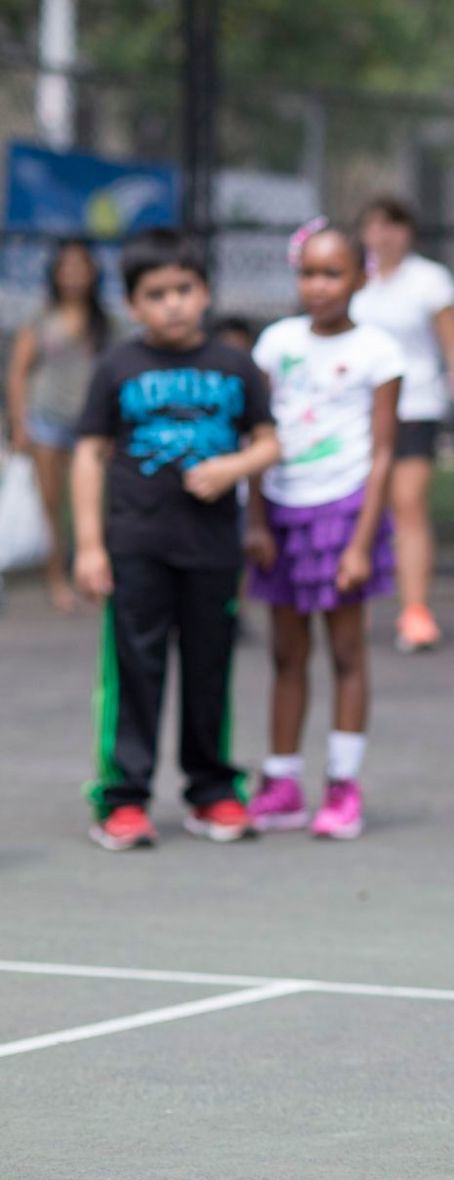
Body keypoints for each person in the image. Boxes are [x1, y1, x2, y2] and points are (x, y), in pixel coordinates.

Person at [70, 227, 279, 851]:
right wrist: (88, 544)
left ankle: (212, 790)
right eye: (156, 294)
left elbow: (268, 442)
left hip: (213, 551)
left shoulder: (235, 366)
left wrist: (230, 469)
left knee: (209, 670)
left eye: (184, 289)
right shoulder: (117, 366)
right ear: (133, 305)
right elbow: (88, 454)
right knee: (134, 668)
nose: (173, 303)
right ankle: (123, 799)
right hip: (136, 545)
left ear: (205, 292)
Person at [242, 223, 403, 840]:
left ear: (359, 278)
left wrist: (361, 542)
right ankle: (281, 783)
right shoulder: (275, 343)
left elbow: (384, 453)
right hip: (281, 511)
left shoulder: (377, 352)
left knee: (344, 652)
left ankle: (343, 786)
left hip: (343, 510)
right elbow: (258, 439)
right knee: (286, 653)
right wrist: (255, 518)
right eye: (308, 273)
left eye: (332, 273)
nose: (318, 286)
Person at [353, 196, 454, 653]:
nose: (383, 234)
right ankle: (343, 603)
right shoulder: (352, 281)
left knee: (408, 502)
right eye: (374, 225)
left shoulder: (430, 280)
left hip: (414, 406)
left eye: (393, 225)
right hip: (356, 412)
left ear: (408, 233)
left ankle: (415, 612)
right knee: (352, 508)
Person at [8, 238, 111, 613]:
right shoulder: (40, 318)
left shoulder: (106, 321)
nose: (73, 275)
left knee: (91, 503)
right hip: (46, 422)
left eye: (80, 267)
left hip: (91, 426)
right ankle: (56, 578)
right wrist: (19, 425)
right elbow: (18, 374)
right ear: (55, 274)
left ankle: (94, 573)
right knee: (51, 505)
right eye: (66, 267)